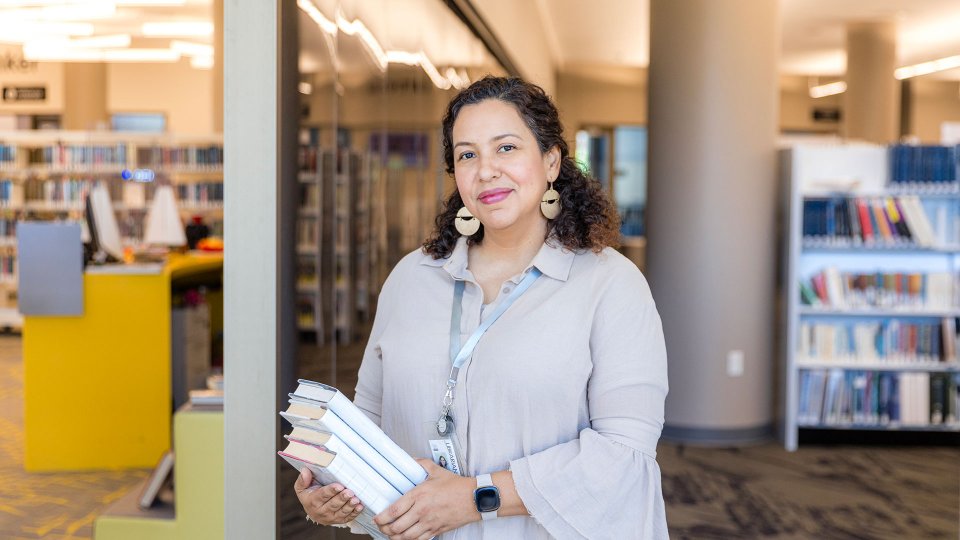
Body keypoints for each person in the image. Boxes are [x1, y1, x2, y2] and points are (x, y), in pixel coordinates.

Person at [294, 76, 669, 539]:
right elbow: (370, 417)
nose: (486, 170)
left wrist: (474, 498)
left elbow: (625, 455)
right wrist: (336, 488)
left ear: (551, 161)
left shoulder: (611, 285)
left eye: (506, 148)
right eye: (467, 155)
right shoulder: (411, 279)